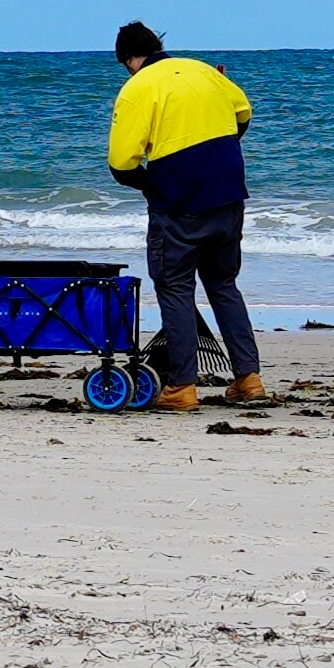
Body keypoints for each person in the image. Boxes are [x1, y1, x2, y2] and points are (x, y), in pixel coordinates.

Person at [105, 22, 260, 411]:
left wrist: (152, 184)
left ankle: (182, 386)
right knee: (224, 284)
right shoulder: (204, 71)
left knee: (174, 287)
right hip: (228, 194)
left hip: (179, 205)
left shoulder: (138, 88)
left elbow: (121, 163)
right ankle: (249, 378)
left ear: (128, 60)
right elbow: (243, 113)